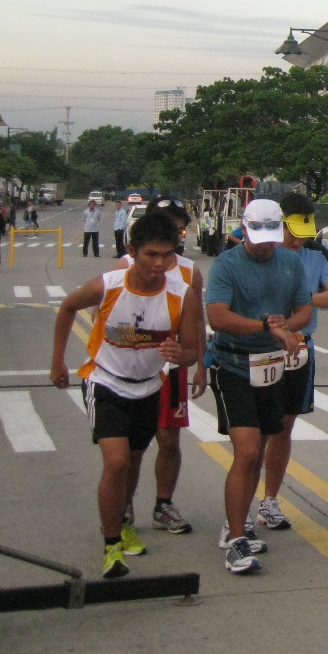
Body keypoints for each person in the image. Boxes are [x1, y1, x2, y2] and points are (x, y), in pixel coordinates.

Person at [49, 210, 202, 577]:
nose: (160, 263)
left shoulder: (183, 295)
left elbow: (192, 351)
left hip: (149, 387)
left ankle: (124, 521)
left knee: (133, 460)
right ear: (132, 251)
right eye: (151, 254)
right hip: (105, 382)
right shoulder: (109, 285)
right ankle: (112, 545)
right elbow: (68, 306)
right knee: (116, 461)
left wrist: (181, 354)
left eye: (167, 255)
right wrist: (58, 363)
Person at [203, 198, 312, 575]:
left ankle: (237, 524)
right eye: (258, 237)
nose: (265, 245)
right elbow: (218, 317)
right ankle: (235, 538)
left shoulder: (291, 262)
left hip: (272, 366)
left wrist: (287, 328)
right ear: (245, 230)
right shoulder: (227, 264)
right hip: (234, 364)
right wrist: (266, 327)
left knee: (261, 448)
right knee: (247, 452)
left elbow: (304, 309)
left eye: (271, 238)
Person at [253, 192, 328, 532]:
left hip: (298, 350)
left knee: (284, 427)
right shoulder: (259, 255)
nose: (297, 241)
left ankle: (270, 500)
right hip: (261, 348)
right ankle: (241, 502)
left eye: (303, 235)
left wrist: (304, 299)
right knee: (256, 432)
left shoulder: (314, 256)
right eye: (291, 233)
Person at [121, 198, 204, 535]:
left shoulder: (189, 271)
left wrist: (201, 365)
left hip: (171, 371)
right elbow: (106, 318)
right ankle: (123, 505)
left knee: (169, 441)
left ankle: (163, 504)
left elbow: (197, 322)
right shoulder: (126, 266)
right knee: (133, 447)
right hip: (133, 370)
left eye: (179, 227)